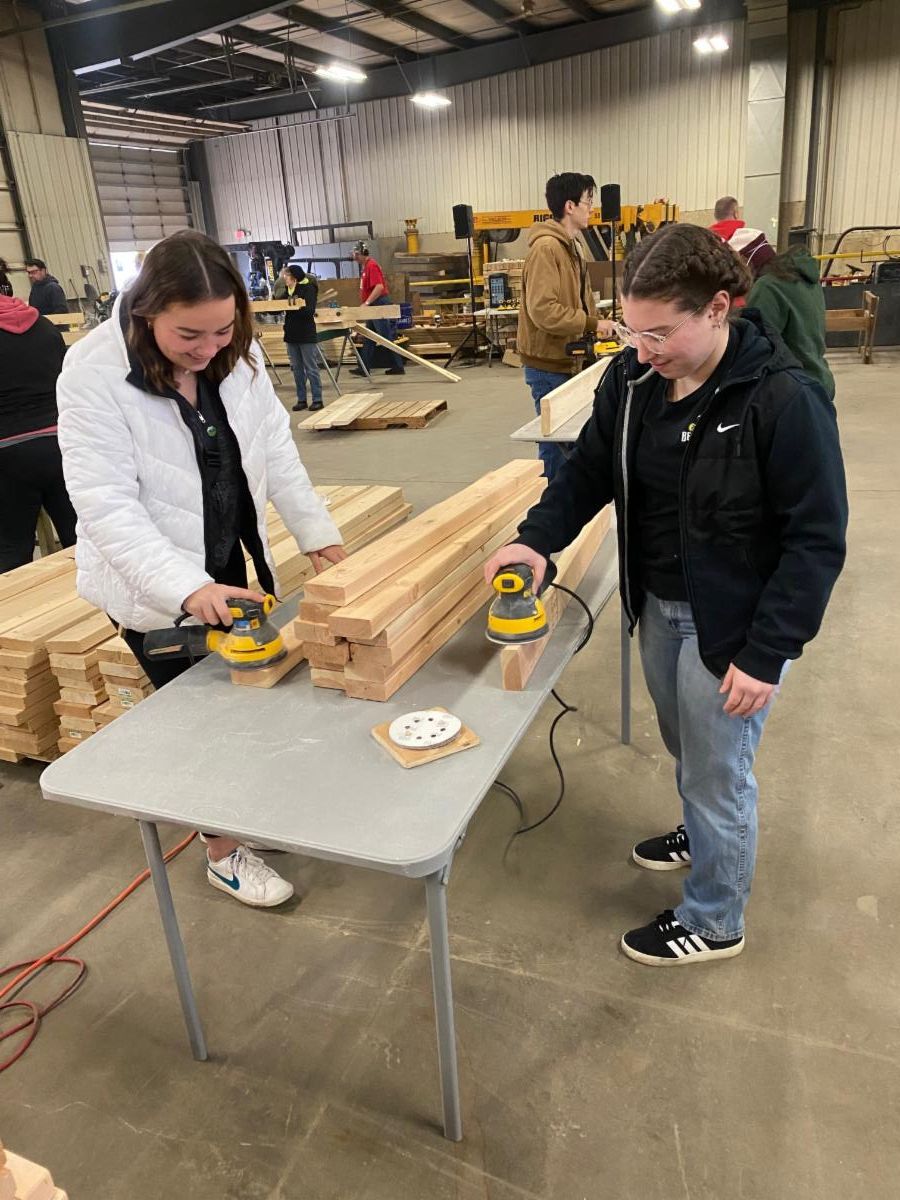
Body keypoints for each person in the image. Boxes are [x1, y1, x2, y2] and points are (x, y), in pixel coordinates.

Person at [486, 223, 847, 967]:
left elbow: (816, 540)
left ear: (717, 309)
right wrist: (535, 539)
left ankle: (715, 919)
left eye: (659, 333)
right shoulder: (631, 382)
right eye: (632, 330)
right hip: (657, 603)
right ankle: (704, 832)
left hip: (733, 624)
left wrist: (768, 652)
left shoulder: (782, 398)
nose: (643, 350)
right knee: (688, 745)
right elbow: (587, 472)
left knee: (719, 773)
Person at [57, 230, 347, 909]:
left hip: (226, 556)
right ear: (146, 311)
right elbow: (106, 506)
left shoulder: (237, 356)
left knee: (252, 699)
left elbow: (276, 450)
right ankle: (222, 853)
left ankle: (246, 812)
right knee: (200, 725)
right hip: (152, 583)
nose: (209, 348)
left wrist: (316, 535)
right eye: (189, 334)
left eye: (222, 330)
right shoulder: (92, 373)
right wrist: (187, 588)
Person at [518, 172, 615, 480]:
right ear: (570, 206)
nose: (592, 208)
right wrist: (592, 322)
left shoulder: (573, 246)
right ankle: (554, 504)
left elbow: (580, 300)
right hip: (548, 364)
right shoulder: (547, 249)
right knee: (556, 448)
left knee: (572, 444)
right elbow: (543, 310)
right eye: (588, 201)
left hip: (568, 358)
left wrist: (597, 325)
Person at [0, 294, 76, 571]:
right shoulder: (44, 326)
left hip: (7, 452)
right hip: (61, 443)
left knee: (11, 551)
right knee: (83, 541)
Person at [746, 245, 835, 399]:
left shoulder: (767, 286)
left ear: (748, 263)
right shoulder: (804, 278)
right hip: (818, 379)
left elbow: (755, 346)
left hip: (791, 389)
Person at [349, 241, 406, 377]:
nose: (355, 257)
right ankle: (364, 367)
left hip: (378, 304)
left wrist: (367, 302)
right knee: (369, 336)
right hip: (373, 305)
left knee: (385, 337)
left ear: (363, 253)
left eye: (357, 254)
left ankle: (398, 366)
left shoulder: (372, 266)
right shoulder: (366, 267)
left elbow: (379, 287)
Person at [280, 264, 323, 413]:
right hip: (291, 334)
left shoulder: (308, 288)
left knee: (311, 368)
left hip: (306, 334)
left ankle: (317, 399)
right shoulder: (287, 291)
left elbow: (309, 311)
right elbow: (277, 308)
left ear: (294, 277)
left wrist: (294, 307)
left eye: (286, 275)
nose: (284, 278)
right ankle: (302, 399)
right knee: (297, 370)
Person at [709, 196, 775, 281]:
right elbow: (773, 272)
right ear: (736, 214)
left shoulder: (704, 241)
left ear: (715, 216)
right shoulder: (754, 239)